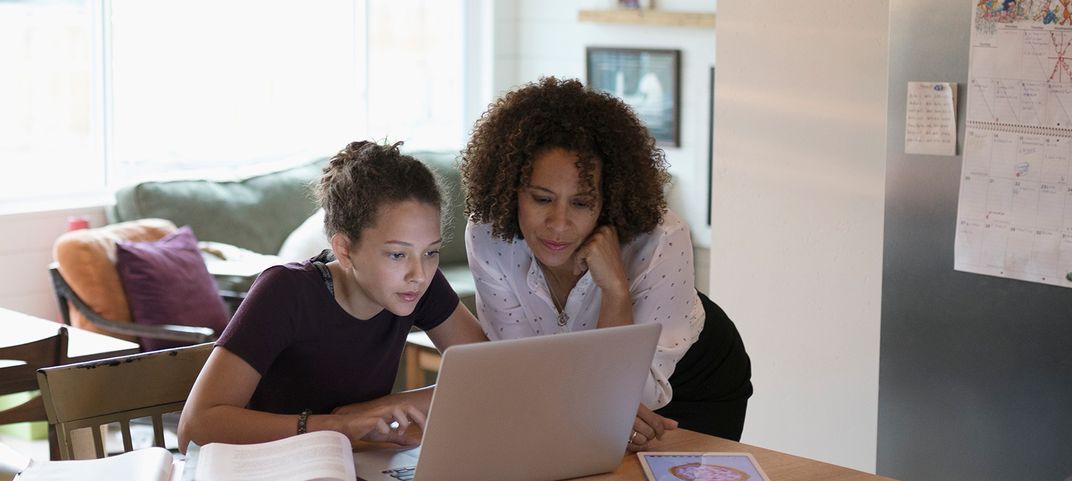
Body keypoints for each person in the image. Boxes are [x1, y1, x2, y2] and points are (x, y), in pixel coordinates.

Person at [461, 77, 752, 448]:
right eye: (541, 198)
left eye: (581, 203)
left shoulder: (661, 239)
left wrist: (616, 289)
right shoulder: (489, 236)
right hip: (583, 387)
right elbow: (521, 370)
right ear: (511, 189)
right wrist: (598, 407)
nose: (559, 223)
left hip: (692, 381)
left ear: (609, 200)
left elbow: (634, 396)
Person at [177, 141, 485, 452]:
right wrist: (336, 426)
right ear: (345, 250)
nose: (419, 273)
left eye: (431, 252)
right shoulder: (286, 291)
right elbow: (195, 426)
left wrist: (390, 405)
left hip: (354, 467)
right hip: (264, 474)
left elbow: (492, 374)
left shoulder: (419, 287)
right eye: (396, 255)